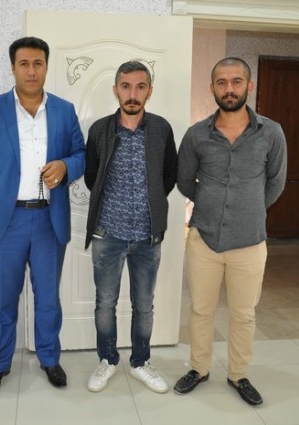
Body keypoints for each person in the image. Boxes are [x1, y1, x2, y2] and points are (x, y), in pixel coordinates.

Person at [0, 36, 85, 394]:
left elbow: (81, 155)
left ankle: (49, 358)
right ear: (13, 67)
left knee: (48, 298)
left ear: (46, 66)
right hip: (6, 222)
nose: (31, 71)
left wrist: (66, 166)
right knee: (4, 300)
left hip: (49, 219)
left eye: (38, 63)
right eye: (24, 64)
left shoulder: (64, 110)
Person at [174, 57, 287, 406]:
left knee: (244, 314)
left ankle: (239, 375)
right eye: (221, 82)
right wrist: (212, 203)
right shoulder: (196, 135)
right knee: (201, 310)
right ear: (212, 88)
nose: (229, 89)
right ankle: (199, 369)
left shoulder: (271, 133)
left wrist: (247, 208)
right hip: (204, 239)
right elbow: (184, 181)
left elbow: (276, 183)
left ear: (249, 86)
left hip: (250, 242)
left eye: (236, 81)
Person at [83, 61, 177, 394]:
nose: (132, 94)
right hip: (107, 234)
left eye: (140, 86)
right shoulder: (100, 130)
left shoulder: (161, 129)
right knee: (104, 303)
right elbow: (91, 177)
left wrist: (151, 203)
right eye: (126, 86)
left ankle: (140, 362)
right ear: (116, 90)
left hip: (147, 237)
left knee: (144, 305)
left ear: (149, 91)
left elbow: (169, 176)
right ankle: (107, 360)